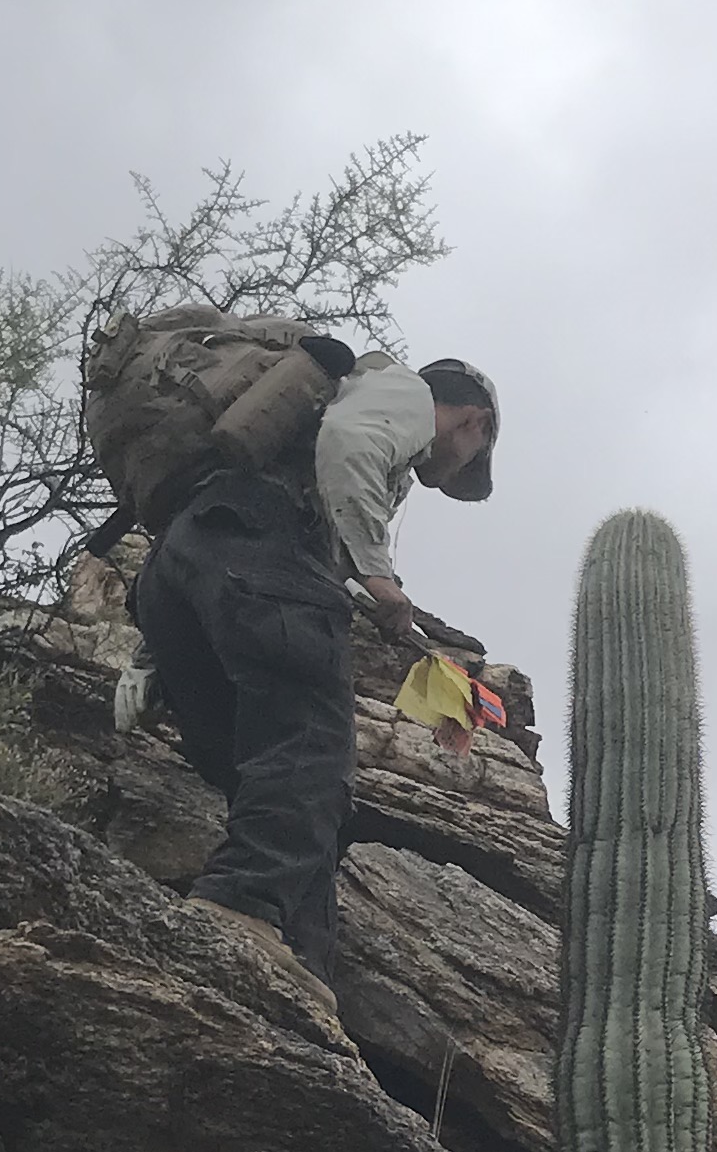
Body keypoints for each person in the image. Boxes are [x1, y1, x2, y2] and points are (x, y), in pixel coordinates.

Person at [130, 346, 498, 982]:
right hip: (258, 543)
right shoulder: (402, 391)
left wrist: (150, 656)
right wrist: (379, 578)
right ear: (474, 422)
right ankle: (237, 909)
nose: (464, 461)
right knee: (312, 751)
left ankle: (300, 964)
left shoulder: (308, 416)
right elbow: (351, 444)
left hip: (175, 564)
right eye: (475, 448)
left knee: (259, 770)